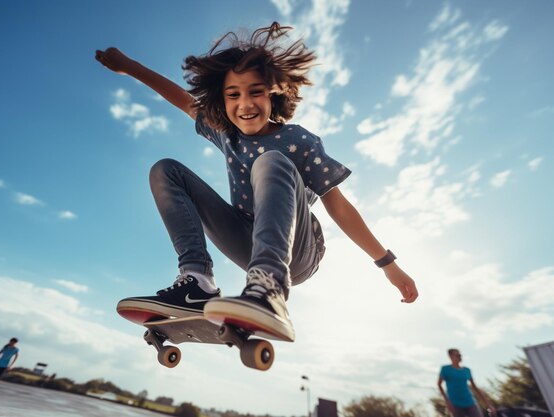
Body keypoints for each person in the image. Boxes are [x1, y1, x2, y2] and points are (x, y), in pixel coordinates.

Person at [95, 22, 418, 341]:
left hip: (297, 252)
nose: (245, 105)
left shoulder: (299, 141)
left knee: (271, 160)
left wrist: (387, 264)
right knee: (166, 170)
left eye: (256, 92)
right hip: (246, 240)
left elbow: (340, 207)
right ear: (221, 101)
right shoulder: (226, 133)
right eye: (233, 95)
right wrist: (130, 67)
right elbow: (183, 100)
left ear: (273, 95)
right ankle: (197, 281)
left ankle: (270, 288)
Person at [438, 348, 496, 417]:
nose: (460, 357)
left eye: (460, 355)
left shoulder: (466, 370)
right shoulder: (445, 369)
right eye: (457, 355)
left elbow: (475, 387)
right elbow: (439, 384)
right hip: (455, 404)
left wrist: (488, 404)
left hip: (470, 402)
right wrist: (447, 401)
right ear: (450, 356)